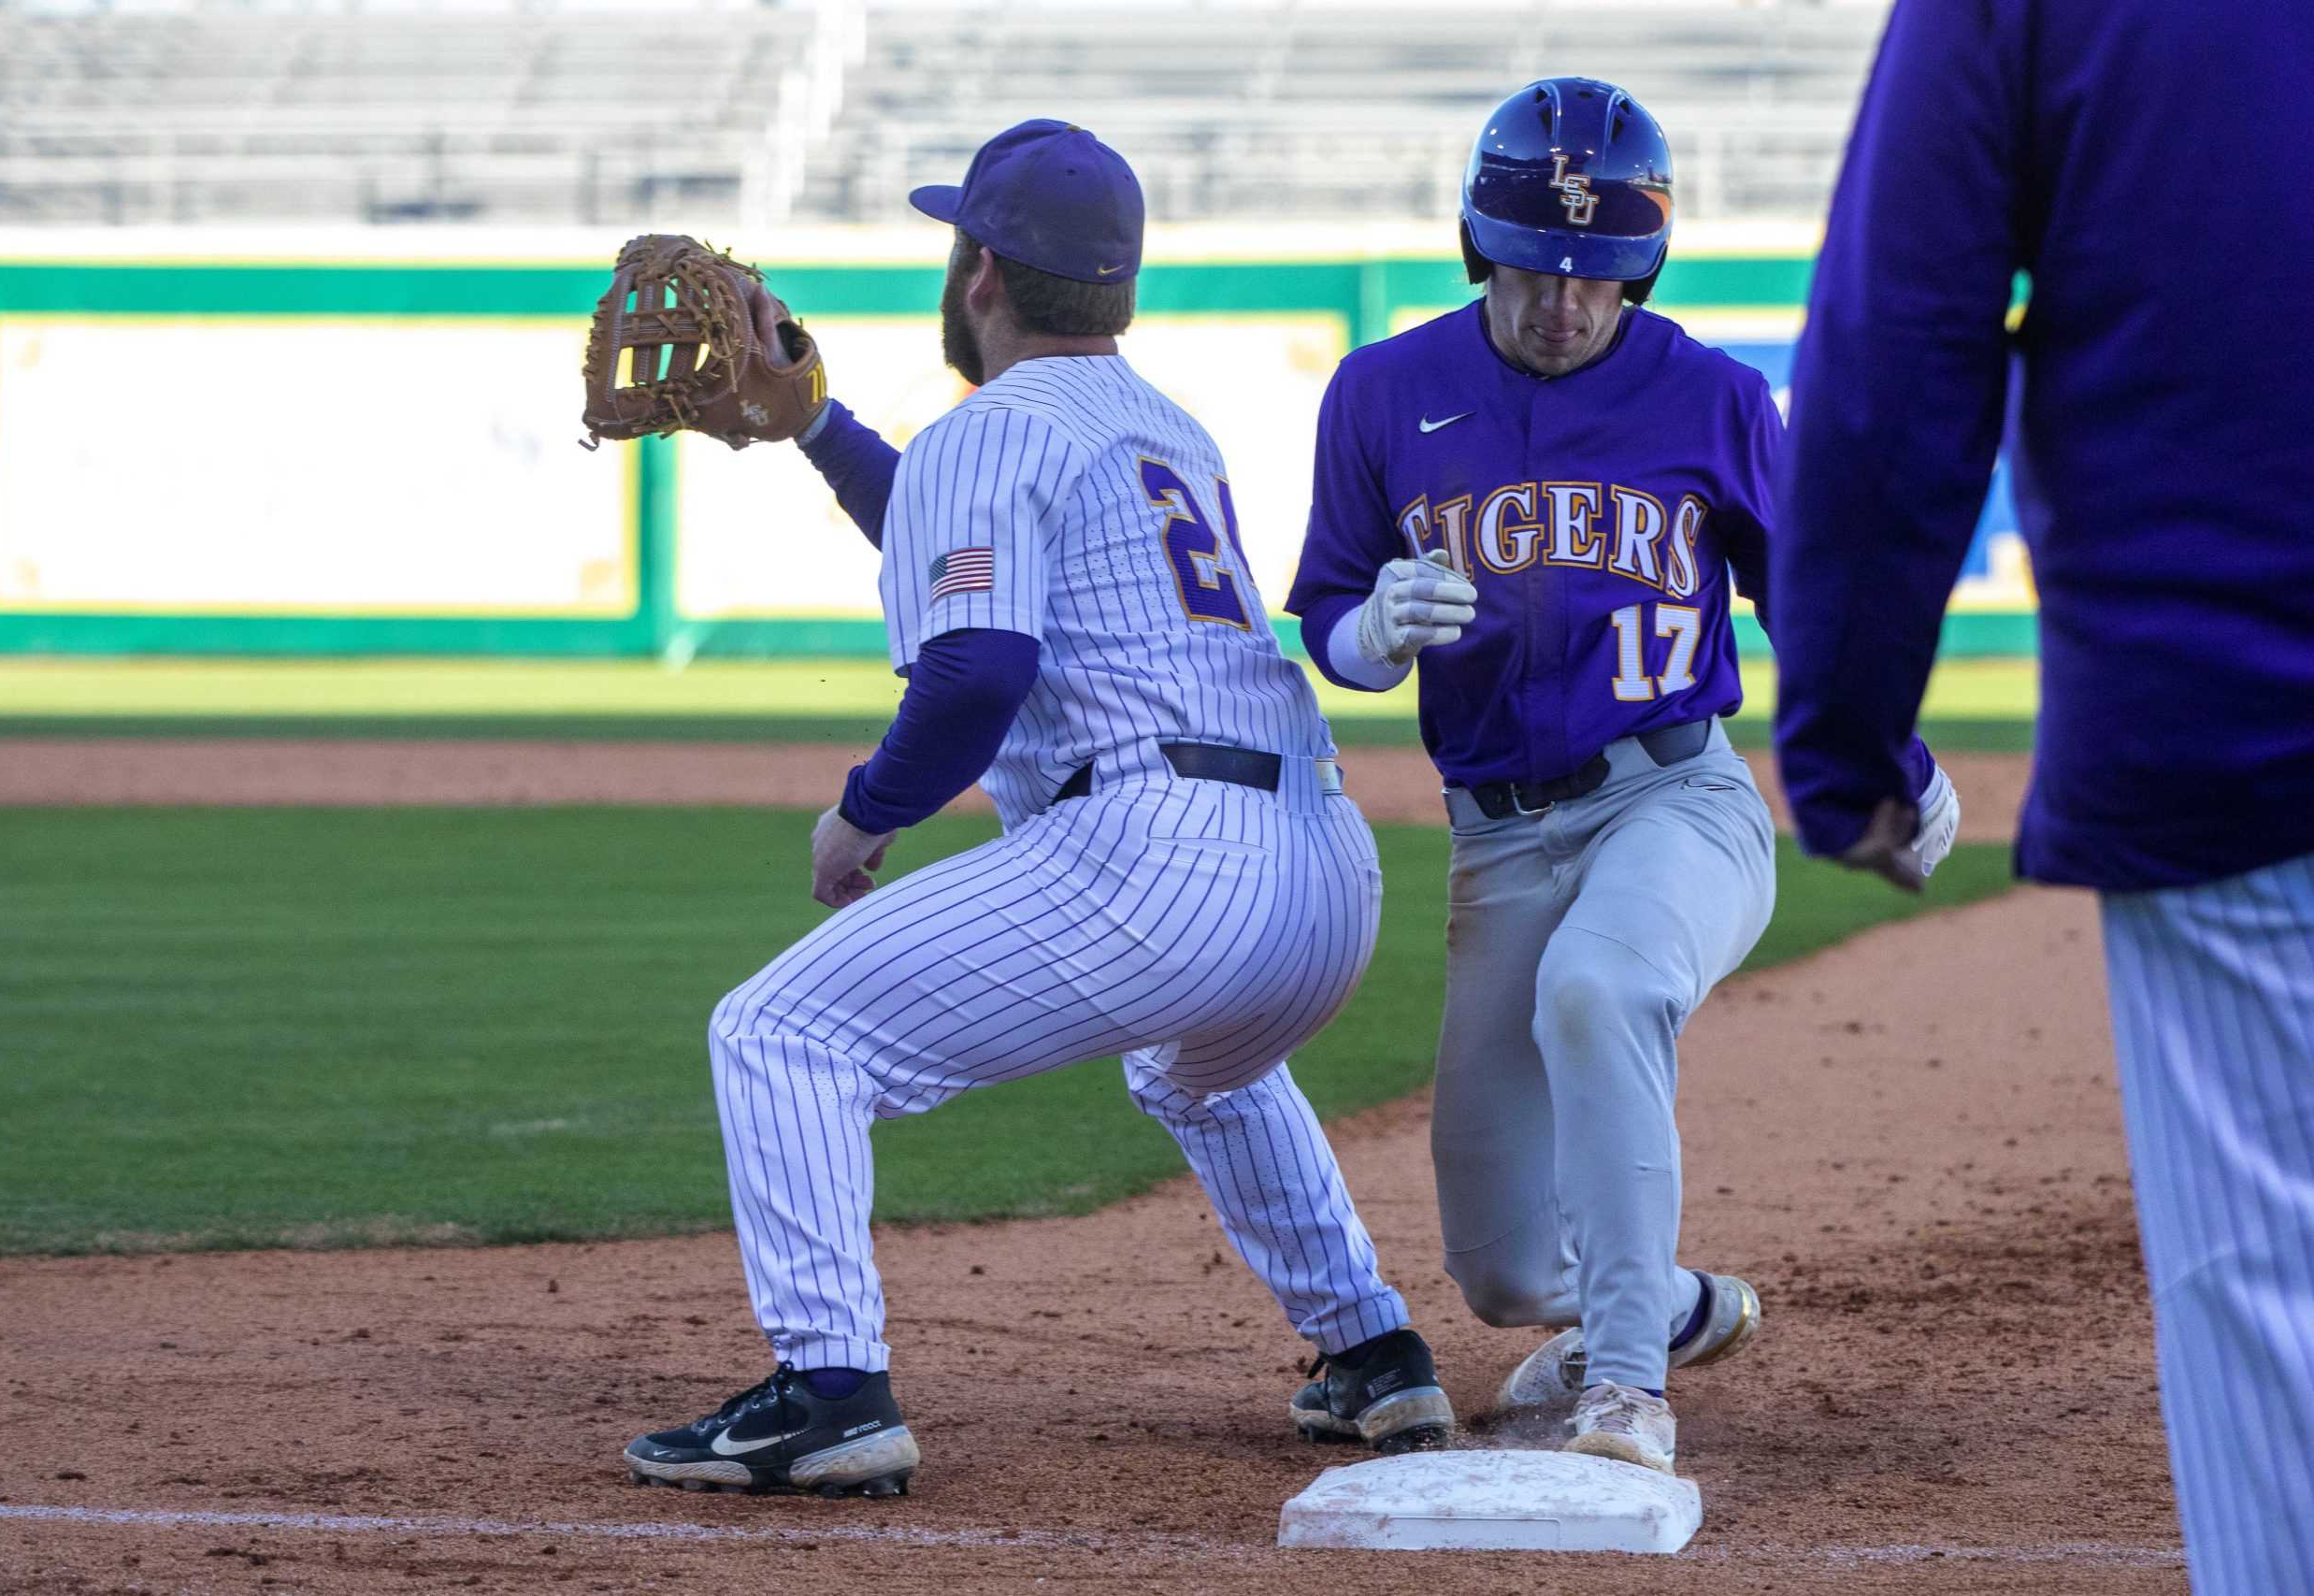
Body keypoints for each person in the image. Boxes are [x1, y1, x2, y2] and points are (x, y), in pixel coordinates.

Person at [622, 120, 1451, 1500]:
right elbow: (978, 560)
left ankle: (830, 1390)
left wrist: (866, 814)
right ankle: (1372, 1349)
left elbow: (981, 662)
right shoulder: (1162, 429)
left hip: (1158, 859)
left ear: (981, 270)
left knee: (778, 1034)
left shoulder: (989, 427)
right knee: (1203, 1068)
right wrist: (822, 427)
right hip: (1323, 875)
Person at [1284, 78, 1960, 1476]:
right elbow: (1332, 625)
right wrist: (1366, 631)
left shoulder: (1712, 396)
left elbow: (1812, 608)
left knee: (1601, 987)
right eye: (1534, 267)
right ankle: (1669, 1303)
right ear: (1482, 248)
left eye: (1595, 275)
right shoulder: (1384, 392)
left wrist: (1891, 752)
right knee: (1505, 1273)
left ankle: (1629, 1392)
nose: (1562, 304)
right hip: (1499, 843)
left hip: (1677, 801)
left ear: (1640, 266)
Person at [1769, 1, 2314, 1588]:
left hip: (2239, 727)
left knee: (2276, 1306)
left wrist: (1849, 734)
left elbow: (1899, 344)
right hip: (2231, 733)